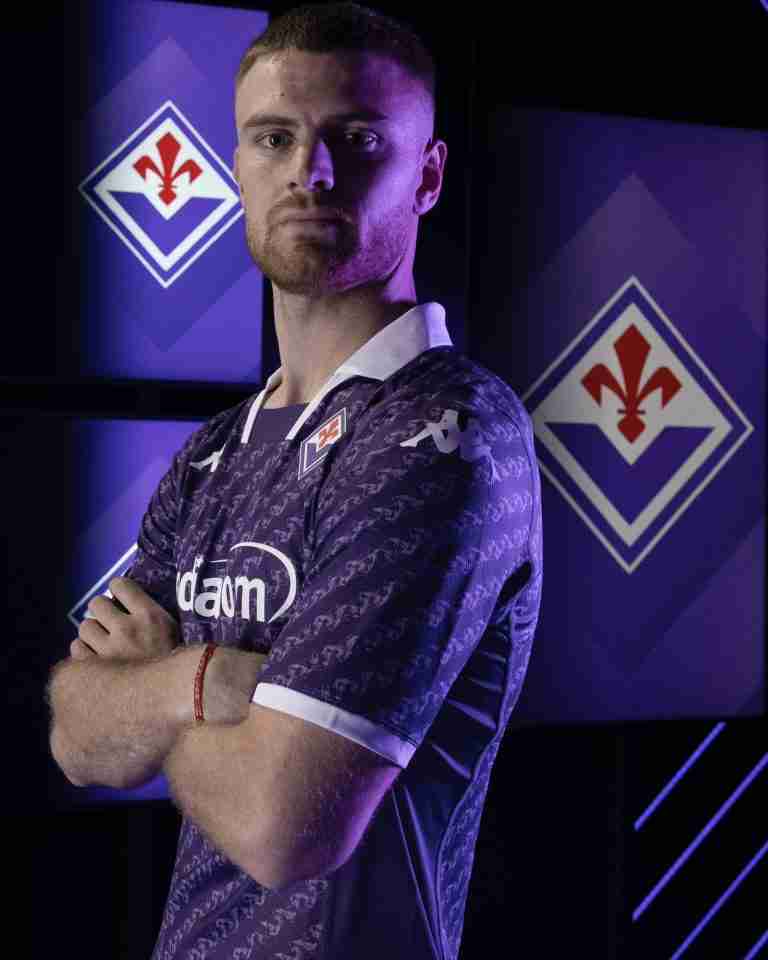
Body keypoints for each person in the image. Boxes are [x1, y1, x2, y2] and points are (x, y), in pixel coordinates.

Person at [46, 3, 543, 957]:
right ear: (237, 165)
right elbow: (75, 737)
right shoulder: (213, 453)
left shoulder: (446, 433)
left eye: (358, 141)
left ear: (427, 176)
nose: (310, 171)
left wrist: (154, 688)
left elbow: (284, 828)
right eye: (275, 137)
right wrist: (207, 679)